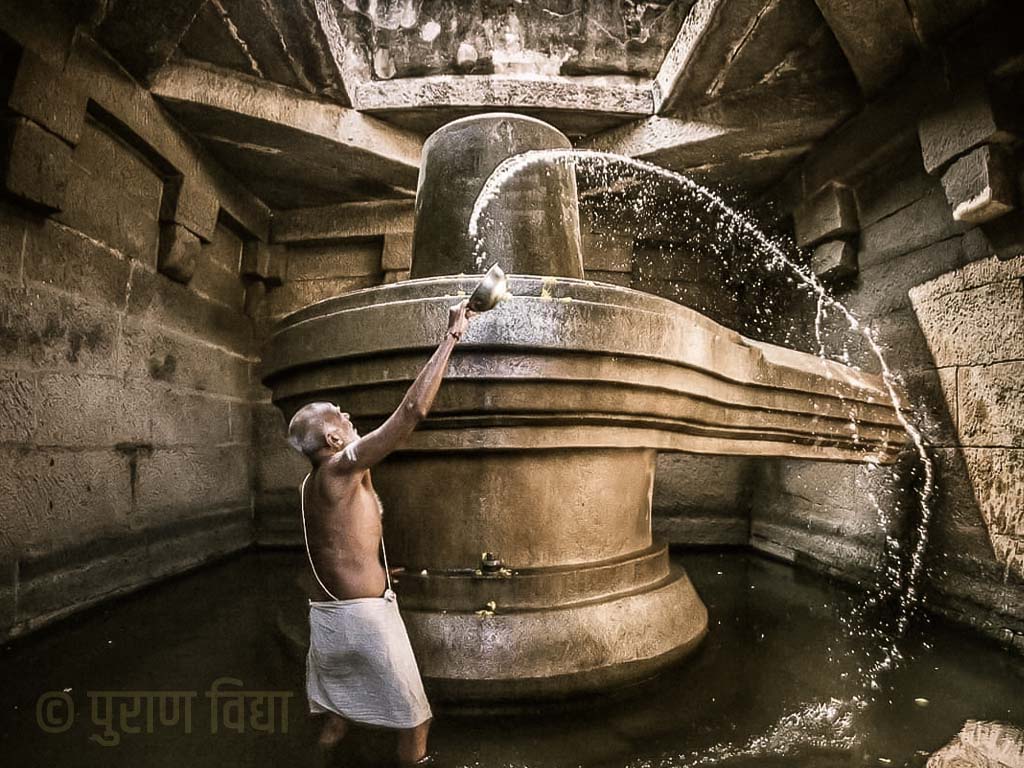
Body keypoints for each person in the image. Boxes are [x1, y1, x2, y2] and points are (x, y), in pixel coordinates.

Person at [286, 300, 475, 766]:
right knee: (416, 721)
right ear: (332, 440)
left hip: (328, 617)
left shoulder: (313, 482)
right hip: (362, 620)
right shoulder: (340, 466)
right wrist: (452, 334)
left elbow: (336, 543)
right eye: (338, 415)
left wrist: (378, 568)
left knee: (336, 716)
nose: (347, 414)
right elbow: (411, 411)